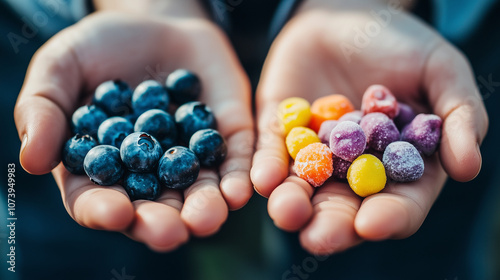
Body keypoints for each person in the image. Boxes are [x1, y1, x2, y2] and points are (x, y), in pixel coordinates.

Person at [8, 0, 498, 278]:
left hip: (431, 19)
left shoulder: (363, 134)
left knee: (403, 259)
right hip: (61, 16)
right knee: (76, 253)